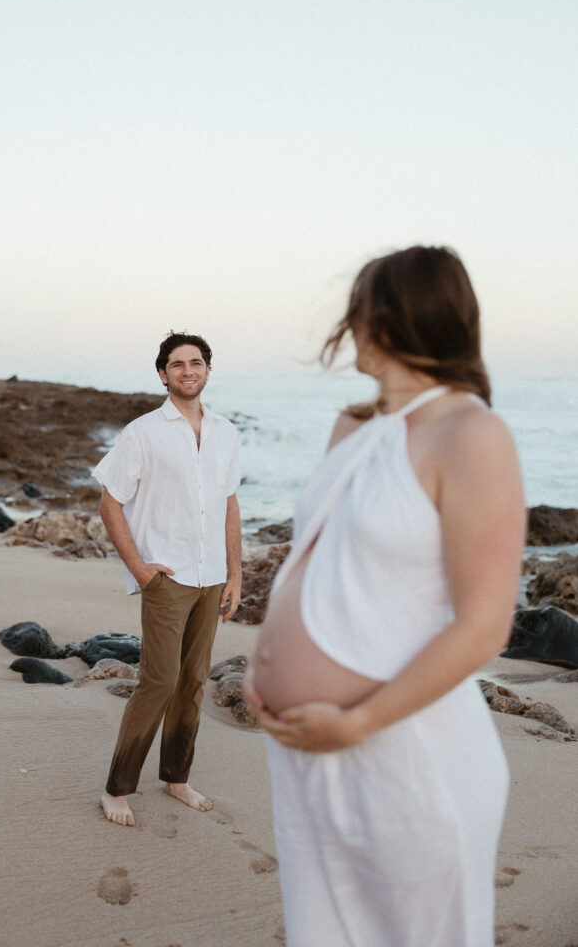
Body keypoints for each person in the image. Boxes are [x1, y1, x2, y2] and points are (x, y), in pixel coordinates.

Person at [244, 246, 526, 947]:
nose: (349, 328)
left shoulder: (470, 434)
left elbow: (485, 625)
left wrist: (358, 723)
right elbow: (324, 558)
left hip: (406, 756)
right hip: (306, 751)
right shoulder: (354, 428)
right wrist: (262, 666)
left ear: (393, 321)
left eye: (360, 311)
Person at [93, 332, 241, 827]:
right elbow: (109, 501)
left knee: (193, 682)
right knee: (159, 681)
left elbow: (228, 505)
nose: (187, 371)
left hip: (212, 578)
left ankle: (176, 777)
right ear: (163, 374)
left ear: (206, 370)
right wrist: (139, 567)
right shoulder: (142, 433)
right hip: (168, 578)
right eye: (177, 364)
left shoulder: (225, 432)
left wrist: (235, 574)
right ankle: (117, 788)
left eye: (196, 362)